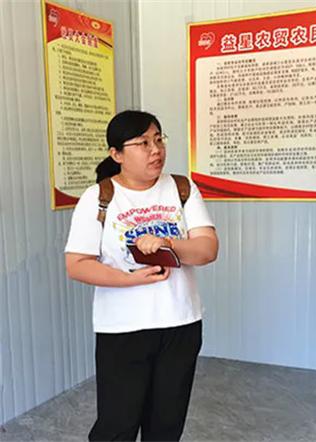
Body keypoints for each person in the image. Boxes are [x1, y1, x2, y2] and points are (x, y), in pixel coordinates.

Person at [65, 110, 218, 441]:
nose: (156, 150)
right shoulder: (99, 197)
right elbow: (77, 263)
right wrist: (131, 279)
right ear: (117, 154)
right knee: (117, 426)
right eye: (143, 143)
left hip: (180, 324)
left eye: (159, 139)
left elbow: (207, 250)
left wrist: (168, 243)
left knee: (166, 424)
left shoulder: (181, 188)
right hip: (123, 329)